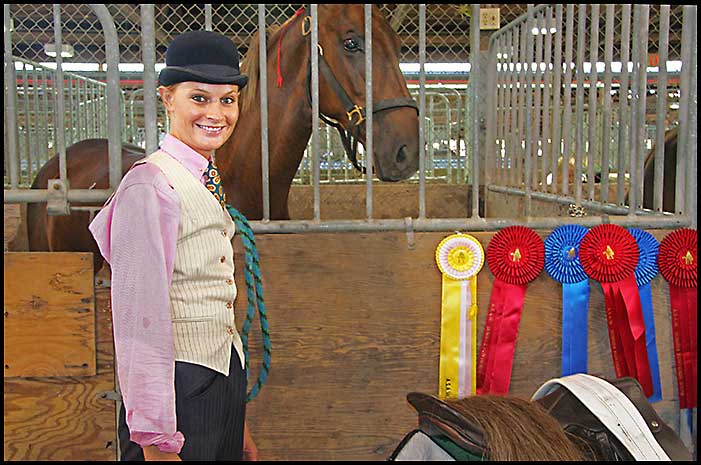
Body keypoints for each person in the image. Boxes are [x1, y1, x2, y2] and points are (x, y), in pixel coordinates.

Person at [89, 30, 258, 461]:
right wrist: (155, 439)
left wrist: (237, 420)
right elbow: (138, 322)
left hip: (220, 377)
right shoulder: (150, 185)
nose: (216, 113)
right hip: (178, 389)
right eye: (199, 98)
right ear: (167, 98)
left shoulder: (203, 177)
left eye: (227, 100)